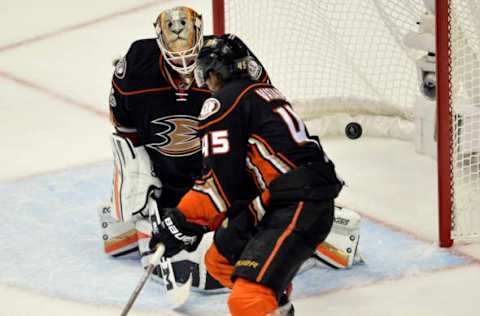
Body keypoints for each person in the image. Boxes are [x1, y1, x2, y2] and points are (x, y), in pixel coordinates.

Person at [148, 34, 345, 315]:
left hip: (297, 203)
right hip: (286, 196)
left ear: (213, 73)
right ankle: (276, 306)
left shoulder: (222, 102)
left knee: (247, 300)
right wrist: (186, 224)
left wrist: (179, 221)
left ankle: (263, 301)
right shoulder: (261, 92)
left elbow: (220, 187)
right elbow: (243, 180)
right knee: (221, 259)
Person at [98, 6, 269, 291]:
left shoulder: (226, 62)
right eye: (176, 57)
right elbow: (125, 129)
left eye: (192, 56)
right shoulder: (136, 67)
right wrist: (142, 178)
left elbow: (265, 119)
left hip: (218, 176)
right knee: (132, 175)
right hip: (169, 176)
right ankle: (142, 213)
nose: (186, 67)